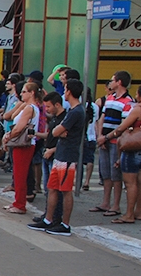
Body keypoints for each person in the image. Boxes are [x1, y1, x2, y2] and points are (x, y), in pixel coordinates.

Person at [28, 82, 85, 235]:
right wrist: (60, 131)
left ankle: (65, 224)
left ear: (69, 92)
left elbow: (57, 131)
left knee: (65, 190)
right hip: (61, 153)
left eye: (66, 89)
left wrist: (60, 131)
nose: (64, 92)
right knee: (52, 188)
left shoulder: (76, 112)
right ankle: (48, 219)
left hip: (68, 155)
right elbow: (56, 131)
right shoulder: (72, 111)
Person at [92, 71, 133, 217]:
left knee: (116, 175)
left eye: (112, 80)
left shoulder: (128, 101)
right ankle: (105, 202)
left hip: (115, 141)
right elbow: (102, 117)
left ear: (119, 82)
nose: (110, 82)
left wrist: (106, 137)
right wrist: (100, 135)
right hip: (105, 139)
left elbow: (123, 126)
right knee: (106, 173)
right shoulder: (109, 98)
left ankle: (116, 205)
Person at [3, 81, 42, 214]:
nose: (21, 93)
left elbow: (19, 127)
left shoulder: (30, 108)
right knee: (19, 173)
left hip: (24, 144)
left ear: (32, 93)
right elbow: (12, 116)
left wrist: (9, 136)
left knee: (20, 174)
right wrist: (21, 105)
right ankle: (18, 201)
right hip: (22, 143)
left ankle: (20, 204)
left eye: (24, 91)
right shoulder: (27, 106)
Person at [107, 86, 141, 224]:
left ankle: (129, 214)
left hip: (132, 148)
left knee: (130, 183)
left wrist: (108, 137)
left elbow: (121, 127)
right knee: (139, 182)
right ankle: (138, 211)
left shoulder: (137, 109)